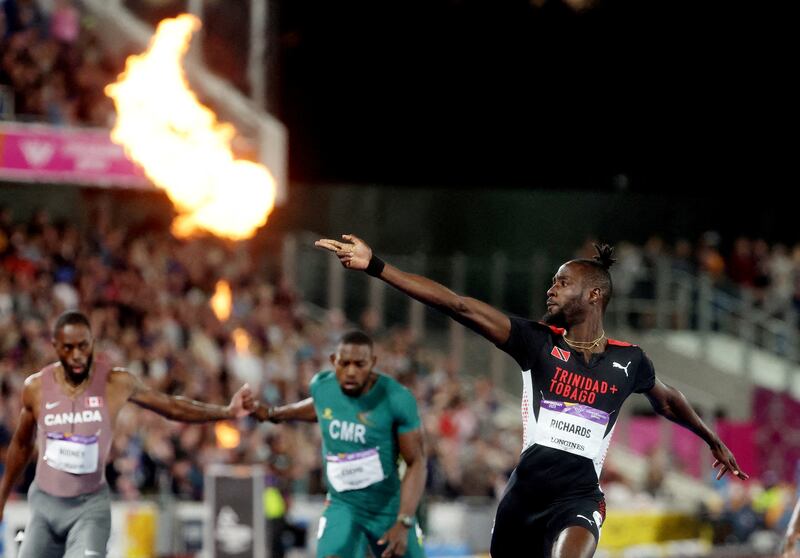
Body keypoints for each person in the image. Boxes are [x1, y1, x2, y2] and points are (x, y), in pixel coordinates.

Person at [315, 234, 747, 558]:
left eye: (562, 282)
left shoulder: (630, 361)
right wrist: (377, 266)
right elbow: (458, 305)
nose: (550, 289)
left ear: (594, 294)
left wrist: (712, 439)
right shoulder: (536, 343)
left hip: (578, 498)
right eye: (552, 282)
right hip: (523, 499)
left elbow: (668, 400)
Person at [0, 310, 255, 558]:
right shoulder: (36, 388)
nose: (77, 355)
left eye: (83, 346)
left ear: (93, 344)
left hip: (89, 508)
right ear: (56, 347)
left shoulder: (116, 384)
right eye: (68, 348)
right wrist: (2, 496)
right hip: (46, 505)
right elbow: (21, 445)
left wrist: (227, 411)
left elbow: (172, 407)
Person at [254, 330, 427, 558]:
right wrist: (274, 413)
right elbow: (318, 407)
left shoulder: (397, 399)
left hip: (387, 507)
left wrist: (404, 521)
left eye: (359, 364)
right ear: (333, 361)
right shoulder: (322, 387)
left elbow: (416, 462)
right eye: (344, 364)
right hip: (343, 504)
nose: (351, 372)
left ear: (373, 363)